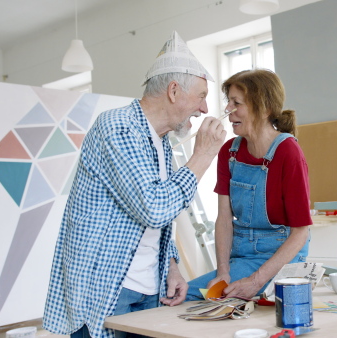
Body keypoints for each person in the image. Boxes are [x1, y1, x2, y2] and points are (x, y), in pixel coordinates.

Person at [42, 31, 226, 338]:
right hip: (108, 289)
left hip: (148, 287)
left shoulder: (161, 142)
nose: (204, 109)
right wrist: (203, 156)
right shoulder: (118, 127)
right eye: (202, 96)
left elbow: (156, 218)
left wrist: (171, 266)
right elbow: (154, 208)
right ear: (173, 90)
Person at [186, 69, 312, 301]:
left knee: (186, 296)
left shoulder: (288, 152)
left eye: (237, 103)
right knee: (195, 295)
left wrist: (255, 281)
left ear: (264, 108)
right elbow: (224, 218)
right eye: (228, 102)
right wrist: (223, 272)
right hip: (241, 258)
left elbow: (300, 233)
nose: (227, 110)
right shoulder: (229, 151)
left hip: (280, 258)